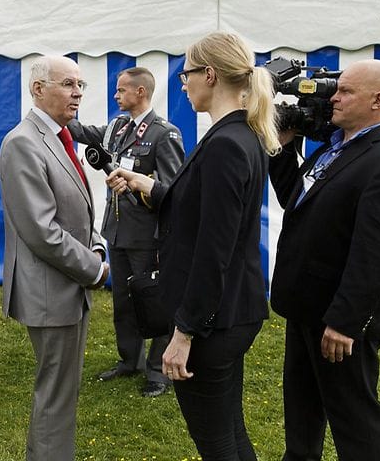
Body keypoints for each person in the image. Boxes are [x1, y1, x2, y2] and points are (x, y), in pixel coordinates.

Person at [107, 32, 280, 460]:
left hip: (213, 320)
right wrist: (151, 186)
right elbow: (204, 210)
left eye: (186, 74)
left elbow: (213, 249)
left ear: (210, 74)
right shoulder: (240, 134)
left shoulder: (226, 144)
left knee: (216, 441)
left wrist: (184, 333)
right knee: (230, 431)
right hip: (230, 310)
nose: (183, 84)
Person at [269, 59, 380, 461]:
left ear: (378, 101)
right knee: (302, 407)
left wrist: (344, 322)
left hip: (337, 318)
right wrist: (282, 146)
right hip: (305, 305)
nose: (333, 97)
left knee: (352, 415)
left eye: (345, 91)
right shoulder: (333, 148)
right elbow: (296, 200)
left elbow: (375, 256)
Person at [0, 55, 110, 461]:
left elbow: (75, 210)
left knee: (61, 391)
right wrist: (94, 269)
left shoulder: (58, 136)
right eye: (68, 84)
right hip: (51, 290)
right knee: (56, 395)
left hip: (66, 285)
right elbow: (42, 231)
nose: (77, 93)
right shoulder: (23, 143)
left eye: (80, 85)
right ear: (38, 89)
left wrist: (96, 244)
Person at [68, 66, 184, 397]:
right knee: (124, 302)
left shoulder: (164, 134)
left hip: (148, 235)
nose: (116, 95)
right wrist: (61, 107)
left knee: (153, 301)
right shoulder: (118, 127)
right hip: (117, 231)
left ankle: (158, 371)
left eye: (121, 90)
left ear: (140, 92)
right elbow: (83, 132)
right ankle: (130, 360)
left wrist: (139, 187)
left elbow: (172, 191)